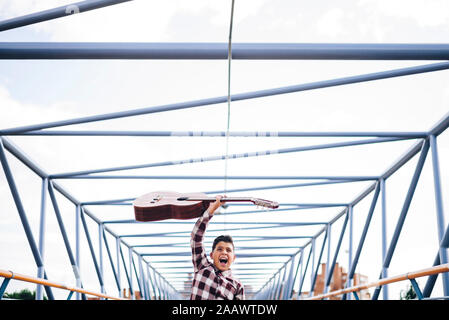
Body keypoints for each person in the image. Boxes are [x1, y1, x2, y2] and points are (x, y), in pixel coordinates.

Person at [190, 195, 245, 300]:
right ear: (211, 255)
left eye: (228, 250)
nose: (224, 252)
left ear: (233, 258)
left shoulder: (237, 286)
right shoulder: (202, 266)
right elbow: (196, 238)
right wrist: (211, 209)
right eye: (219, 249)